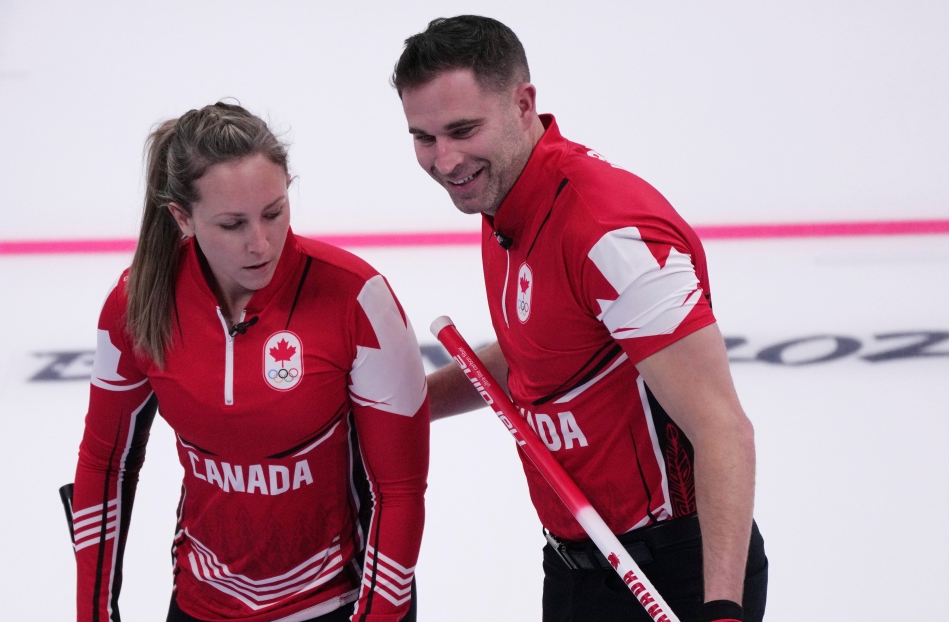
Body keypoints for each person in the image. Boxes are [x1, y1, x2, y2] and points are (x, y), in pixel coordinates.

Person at [392, 16, 767, 622]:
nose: (446, 160)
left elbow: (724, 431)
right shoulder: (506, 200)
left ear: (523, 104)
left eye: (463, 130)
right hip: (579, 568)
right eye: (424, 137)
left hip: (676, 572)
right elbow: (538, 353)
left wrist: (721, 611)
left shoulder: (609, 234)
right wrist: (396, 408)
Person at [67, 102, 429, 622]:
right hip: (201, 604)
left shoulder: (357, 299)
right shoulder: (135, 305)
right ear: (181, 218)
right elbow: (104, 466)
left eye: (274, 213)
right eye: (232, 224)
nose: (260, 244)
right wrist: (92, 615)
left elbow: (399, 491)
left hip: (338, 602)